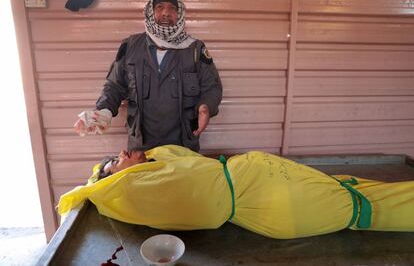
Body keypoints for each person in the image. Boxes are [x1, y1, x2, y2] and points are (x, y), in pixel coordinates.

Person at [58, 145, 414, 240]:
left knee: (350, 189)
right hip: (268, 199)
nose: (121, 154)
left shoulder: (159, 162)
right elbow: (104, 190)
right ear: (114, 181)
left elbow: (165, 153)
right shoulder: (137, 187)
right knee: (360, 208)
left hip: (264, 179)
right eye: (114, 162)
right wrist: (98, 180)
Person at [73, 0, 222, 152]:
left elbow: (212, 87)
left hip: (183, 145)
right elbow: (114, 87)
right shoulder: (130, 46)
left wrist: (206, 107)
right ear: (151, 13)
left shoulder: (194, 49)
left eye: (172, 9)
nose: (166, 13)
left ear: (179, 15)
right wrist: (103, 111)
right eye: (160, 8)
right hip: (140, 147)